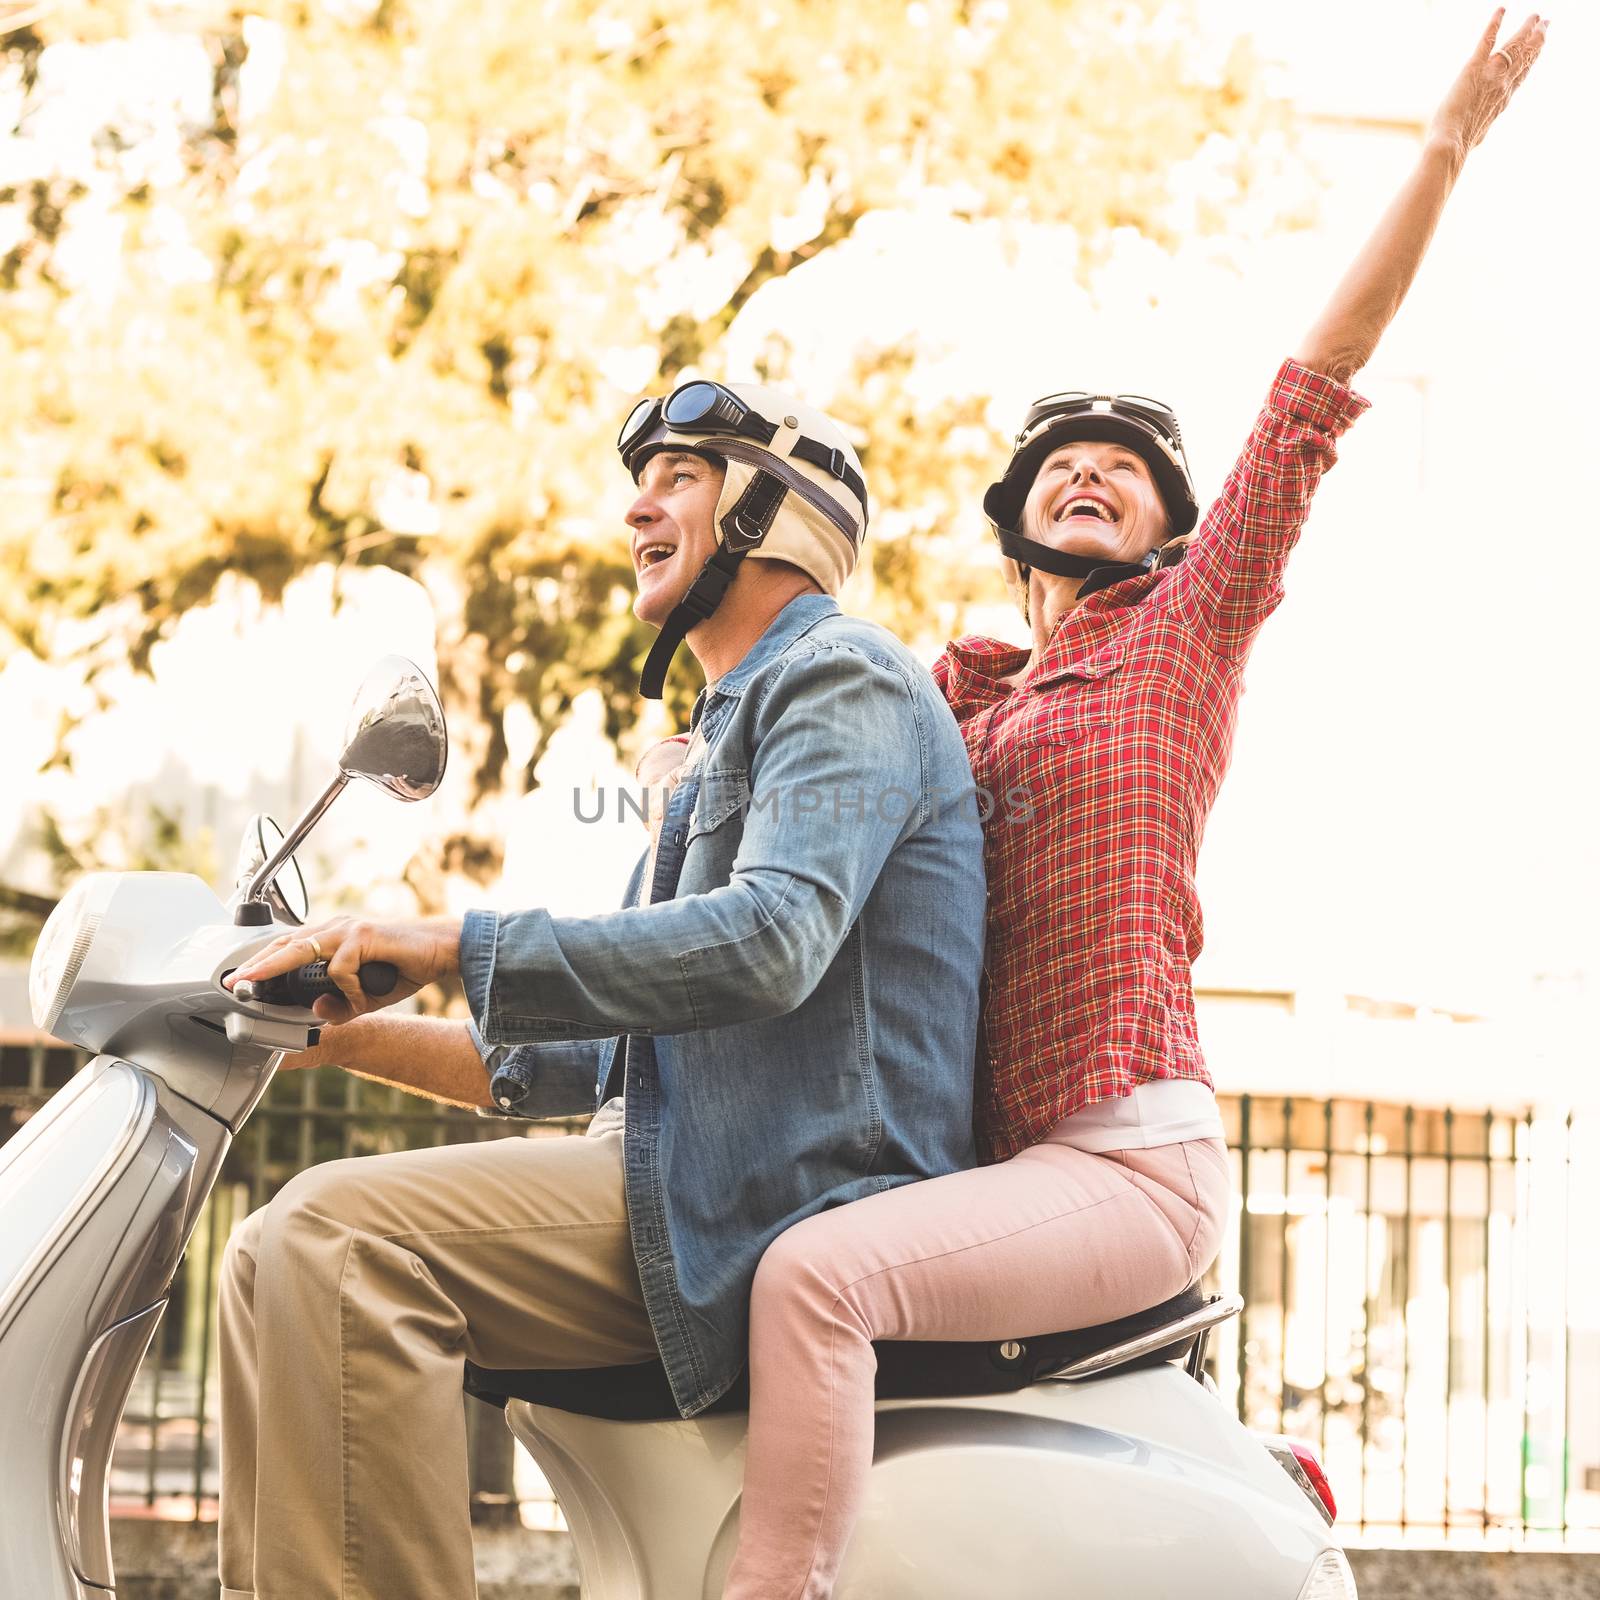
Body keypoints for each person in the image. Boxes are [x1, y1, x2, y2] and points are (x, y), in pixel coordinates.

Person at [720, 13, 1549, 1597]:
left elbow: (1317, 384)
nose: (1089, 471)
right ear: (1018, 541)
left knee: (818, 1286)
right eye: (1059, 465)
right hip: (972, 1173)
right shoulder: (942, 703)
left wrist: (1441, 148)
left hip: (1120, 1160)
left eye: (1125, 470)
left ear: (1175, 534)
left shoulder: (1181, 637)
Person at [218, 383, 986, 1600]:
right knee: (261, 1255)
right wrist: (336, 1039)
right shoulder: (716, 736)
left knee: (337, 1237)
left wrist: (447, 936)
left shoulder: (846, 679)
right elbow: (580, 1061)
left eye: (681, 475)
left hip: (776, 1194)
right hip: (674, 1170)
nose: (637, 505)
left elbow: (775, 940)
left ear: (770, 510)